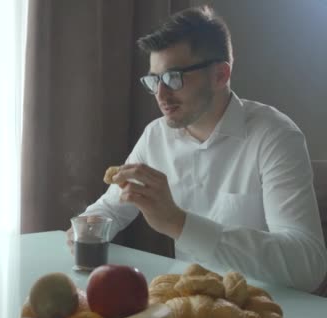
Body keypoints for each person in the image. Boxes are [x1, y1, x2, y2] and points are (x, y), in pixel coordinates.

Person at [66, 6, 327, 292]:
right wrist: (85, 227)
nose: (161, 95)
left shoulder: (275, 137)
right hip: (191, 303)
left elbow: (307, 266)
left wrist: (179, 223)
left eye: (173, 78)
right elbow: (111, 210)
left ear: (220, 75)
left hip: (266, 306)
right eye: (154, 80)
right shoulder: (156, 136)